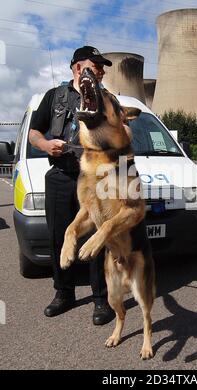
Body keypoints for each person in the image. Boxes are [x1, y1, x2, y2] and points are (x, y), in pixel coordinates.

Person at [29, 46, 116, 324]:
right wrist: (44, 144)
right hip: (60, 176)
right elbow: (34, 132)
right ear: (78, 68)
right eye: (96, 65)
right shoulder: (54, 96)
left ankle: (102, 300)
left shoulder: (108, 99)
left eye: (103, 67)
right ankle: (64, 293)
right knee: (59, 237)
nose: (101, 71)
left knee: (97, 239)